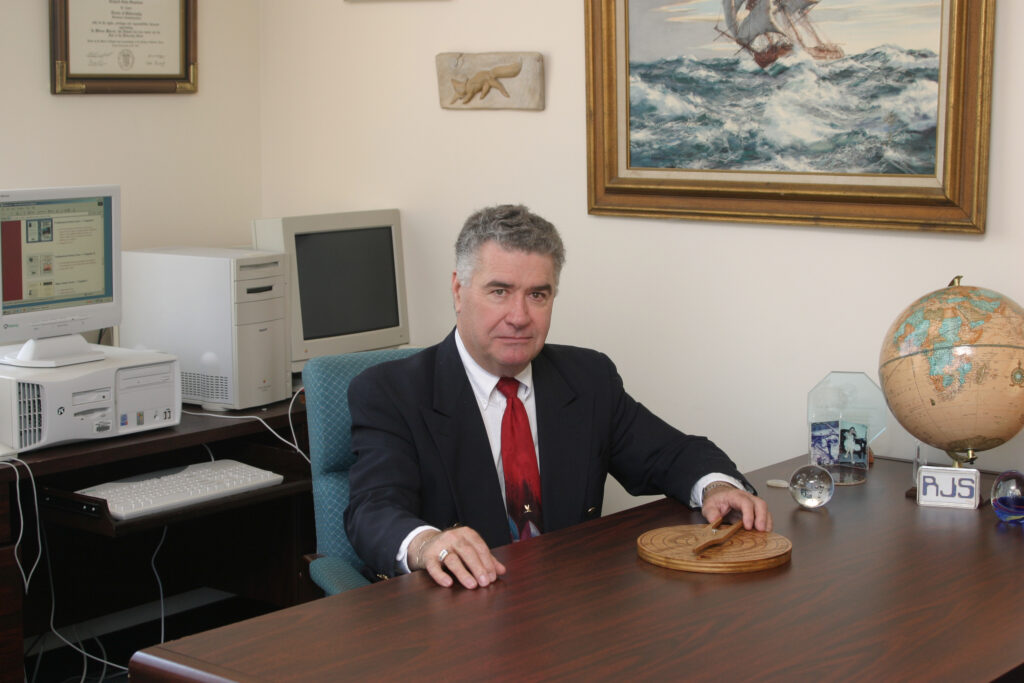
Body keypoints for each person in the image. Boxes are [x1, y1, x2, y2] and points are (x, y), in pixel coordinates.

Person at [345, 204, 772, 590]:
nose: (519, 317)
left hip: (570, 606)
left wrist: (716, 486)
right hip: (462, 612)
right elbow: (373, 511)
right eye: (499, 291)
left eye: (538, 295)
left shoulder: (587, 378)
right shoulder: (391, 392)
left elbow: (672, 454)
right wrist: (428, 544)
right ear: (458, 291)